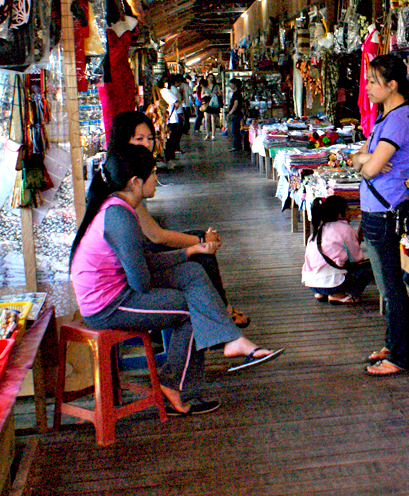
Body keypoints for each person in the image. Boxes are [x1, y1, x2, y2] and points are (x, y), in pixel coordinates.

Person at [69, 145, 282, 415]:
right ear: (135, 182)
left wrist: (190, 251)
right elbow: (141, 281)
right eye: (153, 174)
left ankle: (232, 340)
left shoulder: (118, 208)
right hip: (107, 306)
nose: (156, 179)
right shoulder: (120, 216)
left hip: (121, 291)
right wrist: (176, 266)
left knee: (192, 271)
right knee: (189, 308)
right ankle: (176, 386)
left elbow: (143, 265)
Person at [110, 111, 251, 328]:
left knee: (198, 247)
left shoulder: (123, 175)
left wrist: (201, 242)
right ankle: (221, 313)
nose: (147, 144)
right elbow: (156, 237)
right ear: (122, 141)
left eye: (150, 138)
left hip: (137, 262)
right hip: (126, 276)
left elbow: (155, 233)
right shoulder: (125, 184)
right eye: (138, 139)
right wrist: (203, 243)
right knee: (200, 259)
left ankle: (220, 314)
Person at [351, 53, 409, 376]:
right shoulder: (390, 115)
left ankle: (402, 356)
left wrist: (365, 161)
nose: (367, 87)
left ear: (392, 86)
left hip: (383, 211)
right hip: (379, 208)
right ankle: (395, 344)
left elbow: (370, 169)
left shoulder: (396, 120)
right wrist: (363, 158)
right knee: (388, 286)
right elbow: (361, 161)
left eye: (373, 82)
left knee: (391, 287)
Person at [302, 196, 372, 304]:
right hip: (333, 284)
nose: (349, 213)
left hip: (311, 283)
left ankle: (321, 293)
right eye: (347, 210)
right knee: (370, 267)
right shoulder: (345, 229)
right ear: (340, 213)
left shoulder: (318, 230)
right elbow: (356, 259)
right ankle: (339, 295)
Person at [227, 78, 245, 152]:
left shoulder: (237, 93)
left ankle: (236, 146)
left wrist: (230, 112)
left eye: (231, 83)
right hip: (237, 114)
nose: (230, 85)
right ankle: (237, 145)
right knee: (236, 130)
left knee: (235, 130)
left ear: (235, 85)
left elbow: (236, 104)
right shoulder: (237, 93)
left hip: (236, 114)